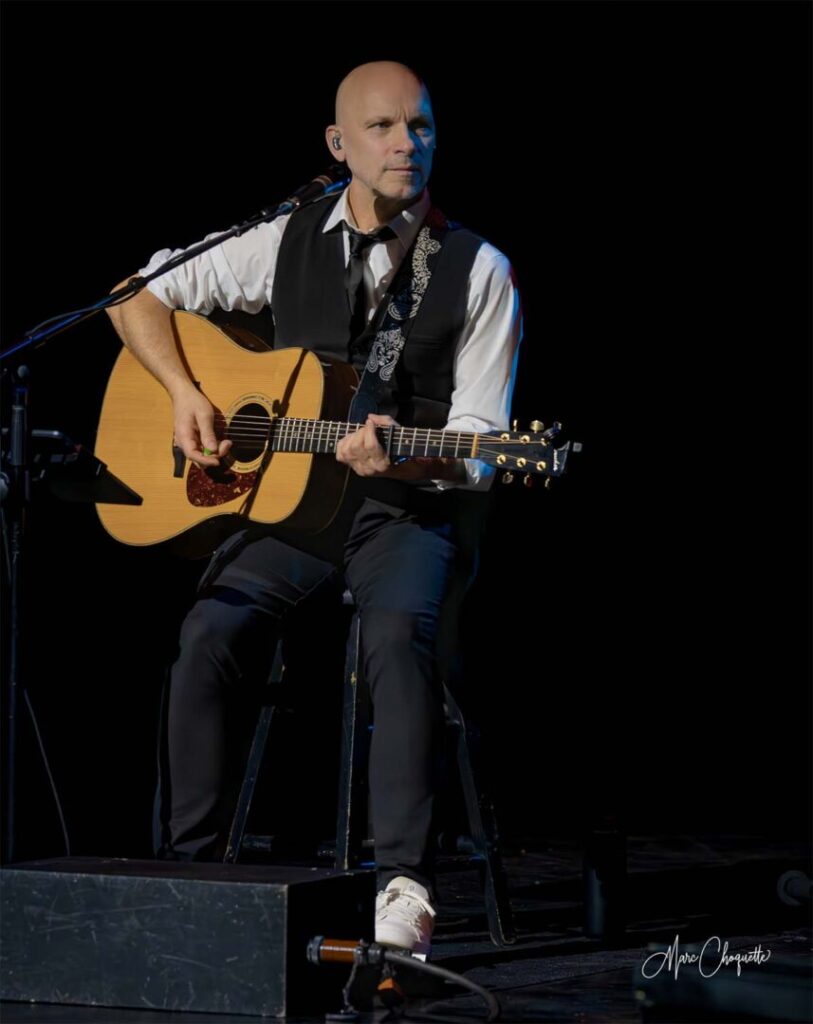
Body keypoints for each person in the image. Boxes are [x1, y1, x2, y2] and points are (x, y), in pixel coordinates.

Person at [107, 60, 522, 959]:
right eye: (380, 128)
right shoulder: (286, 235)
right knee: (210, 631)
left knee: (394, 638)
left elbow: (484, 449)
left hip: (404, 511)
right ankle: (192, 869)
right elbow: (135, 295)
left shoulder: (477, 269)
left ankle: (403, 884)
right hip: (299, 512)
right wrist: (183, 391)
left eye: (419, 127)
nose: (404, 144)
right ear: (338, 146)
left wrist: (404, 461)